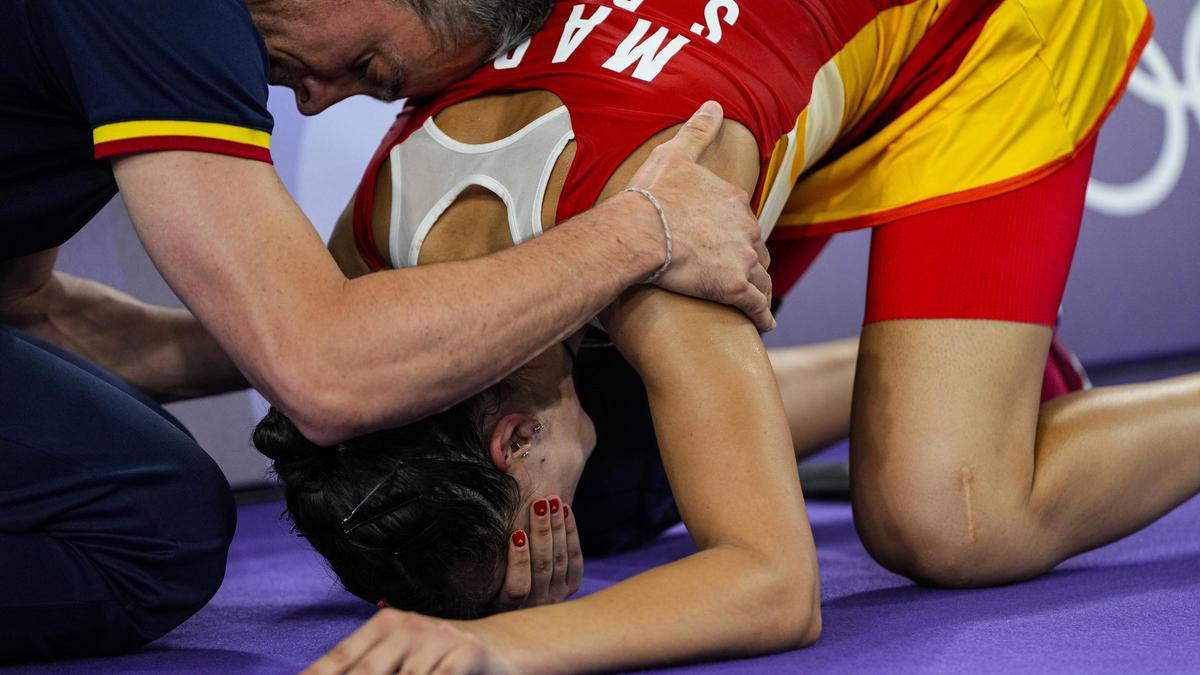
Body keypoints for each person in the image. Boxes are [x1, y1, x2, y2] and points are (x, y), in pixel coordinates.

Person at [268, 0, 1195, 672]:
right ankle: (998, 379)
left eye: (519, 544)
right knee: (651, 451)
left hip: (971, 35)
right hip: (757, 67)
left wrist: (490, 641)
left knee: (946, 518)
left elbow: (774, 587)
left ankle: (985, 410)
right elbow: (311, 362)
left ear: (511, 441)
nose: (540, 564)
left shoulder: (659, 230)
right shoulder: (378, 240)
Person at [0, 0, 777, 662]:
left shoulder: (379, 226)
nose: (310, 104)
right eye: (370, 68)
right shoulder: (179, 24)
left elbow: (32, 308)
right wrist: (641, 233)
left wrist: (368, 338)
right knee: (159, 524)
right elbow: (325, 371)